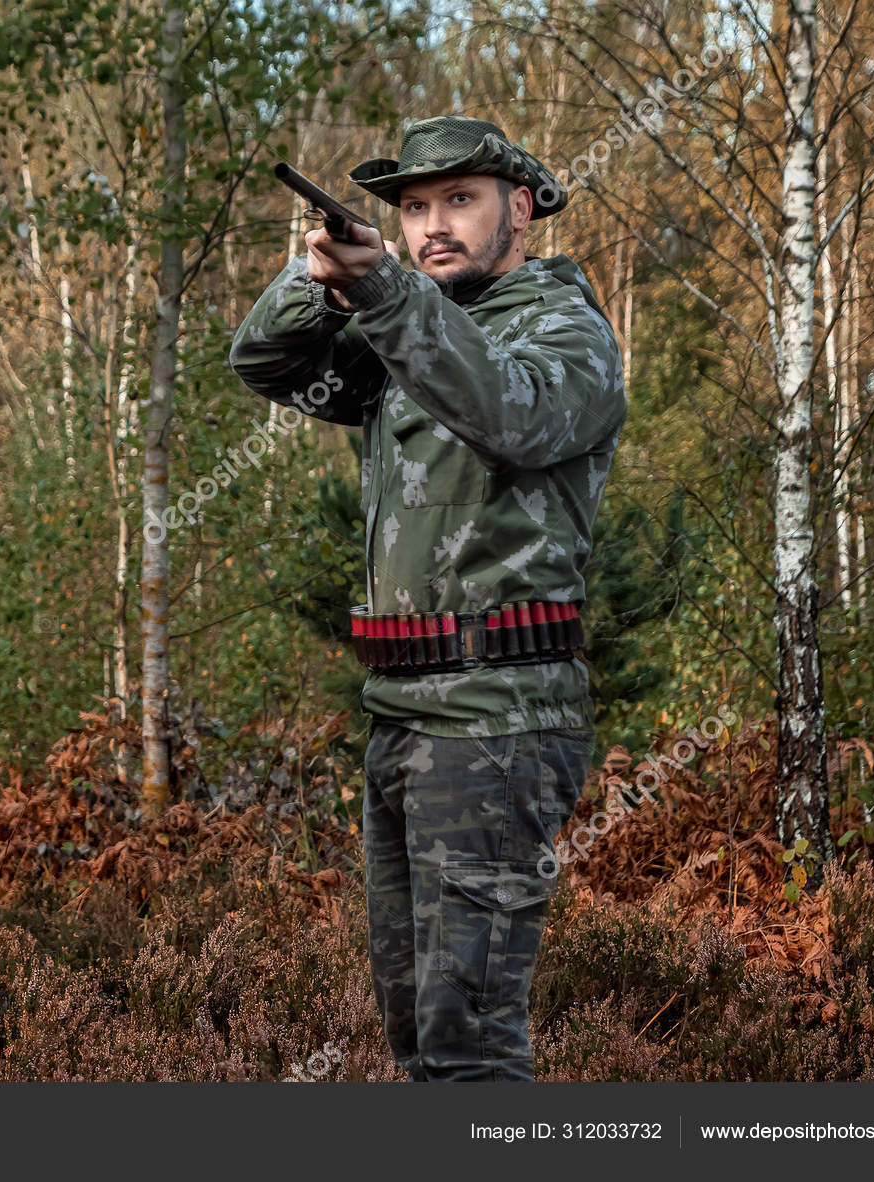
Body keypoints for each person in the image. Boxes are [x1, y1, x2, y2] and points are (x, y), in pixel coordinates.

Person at [228, 115, 626, 1081]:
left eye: (460, 200)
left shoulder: (564, 329)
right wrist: (320, 282)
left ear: (520, 208)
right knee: (419, 1039)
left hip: (495, 724)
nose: (433, 224)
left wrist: (390, 295)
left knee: (471, 1049)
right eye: (412, 208)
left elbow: (514, 415)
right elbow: (265, 364)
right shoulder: (404, 327)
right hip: (402, 719)